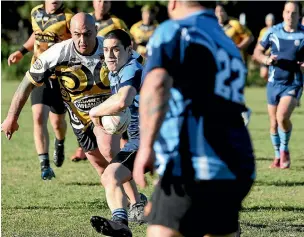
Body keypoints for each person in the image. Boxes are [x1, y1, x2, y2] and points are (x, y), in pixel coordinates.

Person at [1, 12, 146, 223]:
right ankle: (126, 200)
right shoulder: (57, 53)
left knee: (108, 148)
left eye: (87, 34)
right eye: (77, 34)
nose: (82, 40)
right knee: (99, 164)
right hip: (79, 118)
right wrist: (11, 117)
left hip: (107, 113)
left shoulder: (110, 49)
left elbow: (140, 64)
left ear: (96, 31)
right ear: (71, 32)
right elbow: (27, 82)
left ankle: (135, 205)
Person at [133, 1, 255, 237]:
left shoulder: (177, 30)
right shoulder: (226, 41)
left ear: (174, 2)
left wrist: (146, 146)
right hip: (236, 162)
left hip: (196, 163)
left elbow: (157, 83)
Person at [7, 0, 72, 180]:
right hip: (38, 74)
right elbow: (36, 35)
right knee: (38, 116)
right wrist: (21, 51)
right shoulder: (36, 12)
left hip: (60, 78)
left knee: (58, 123)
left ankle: (60, 143)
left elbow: (77, 43)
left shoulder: (69, 17)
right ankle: (44, 164)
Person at [89, 29, 145, 237]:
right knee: (110, 176)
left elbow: (123, 100)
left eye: (115, 50)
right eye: (106, 50)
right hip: (139, 141)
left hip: (160, 139)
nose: (110, 55)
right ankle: (120, 223)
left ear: (128, 49)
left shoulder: (131, 68)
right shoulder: (120, 67)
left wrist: (95, 112)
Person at [70, 0, 131, 162]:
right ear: (93, 2)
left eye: (106, 1)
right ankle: (82, 149)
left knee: (117, 112)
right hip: (84, 76)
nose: (102, 4)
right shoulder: (83, 21)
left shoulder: (117, 23)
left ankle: (125, 147)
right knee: (81, 111)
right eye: (99, 1)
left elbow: (128, 45)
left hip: (109, 77)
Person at [253, 1, 304, 169]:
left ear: (299, 15)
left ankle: (284, 151)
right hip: (274, 83)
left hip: (293, 83)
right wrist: (267, 60)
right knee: (273, 123)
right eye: (288, 12)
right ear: (283, 13)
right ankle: (277, 156)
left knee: (282, 117)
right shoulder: (272, 32)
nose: (290, 16)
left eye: (294, 12)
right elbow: (257, 52)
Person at [215, 3, 254, 127]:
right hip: (220, 65)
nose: (219, 14)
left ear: (226, 13)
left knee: (231, 91)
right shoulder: (214, 26)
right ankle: (239, 112)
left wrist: (238, 47)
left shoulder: (234, 24)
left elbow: (250, 37)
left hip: (236, 64)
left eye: (221, 11)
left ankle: (242, 111)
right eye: (217, 12)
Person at [256, 13, 275, 80]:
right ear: (266, 21)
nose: (270, 22)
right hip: (264, 55)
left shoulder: (276, 30)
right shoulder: (263, 31)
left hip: (273, 55)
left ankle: (272, 84)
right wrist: (256, 52)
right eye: (269, 20)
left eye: (271, 20)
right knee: (263, 74)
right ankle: (270, 83)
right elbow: (259, 43)